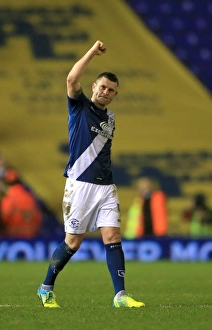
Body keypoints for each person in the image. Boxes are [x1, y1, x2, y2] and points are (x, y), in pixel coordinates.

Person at [37, 40, 145, 308]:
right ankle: (45, 287)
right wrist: (92, 53)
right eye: (103, 87)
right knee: (73, 243)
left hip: (106, 186)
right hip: (80, 186)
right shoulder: (79, 107)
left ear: (115, 95)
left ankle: (120, 296)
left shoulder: (111, 118)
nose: (106, 92)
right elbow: (72, 78)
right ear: (94, 87)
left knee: (113, 238)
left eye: (111, 90)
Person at [0, 169, 42, 238]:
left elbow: (4, 217)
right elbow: (38, 216)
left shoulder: (9, 198)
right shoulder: (29, 196)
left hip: (14, 235)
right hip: (30, 234)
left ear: (7, 184)